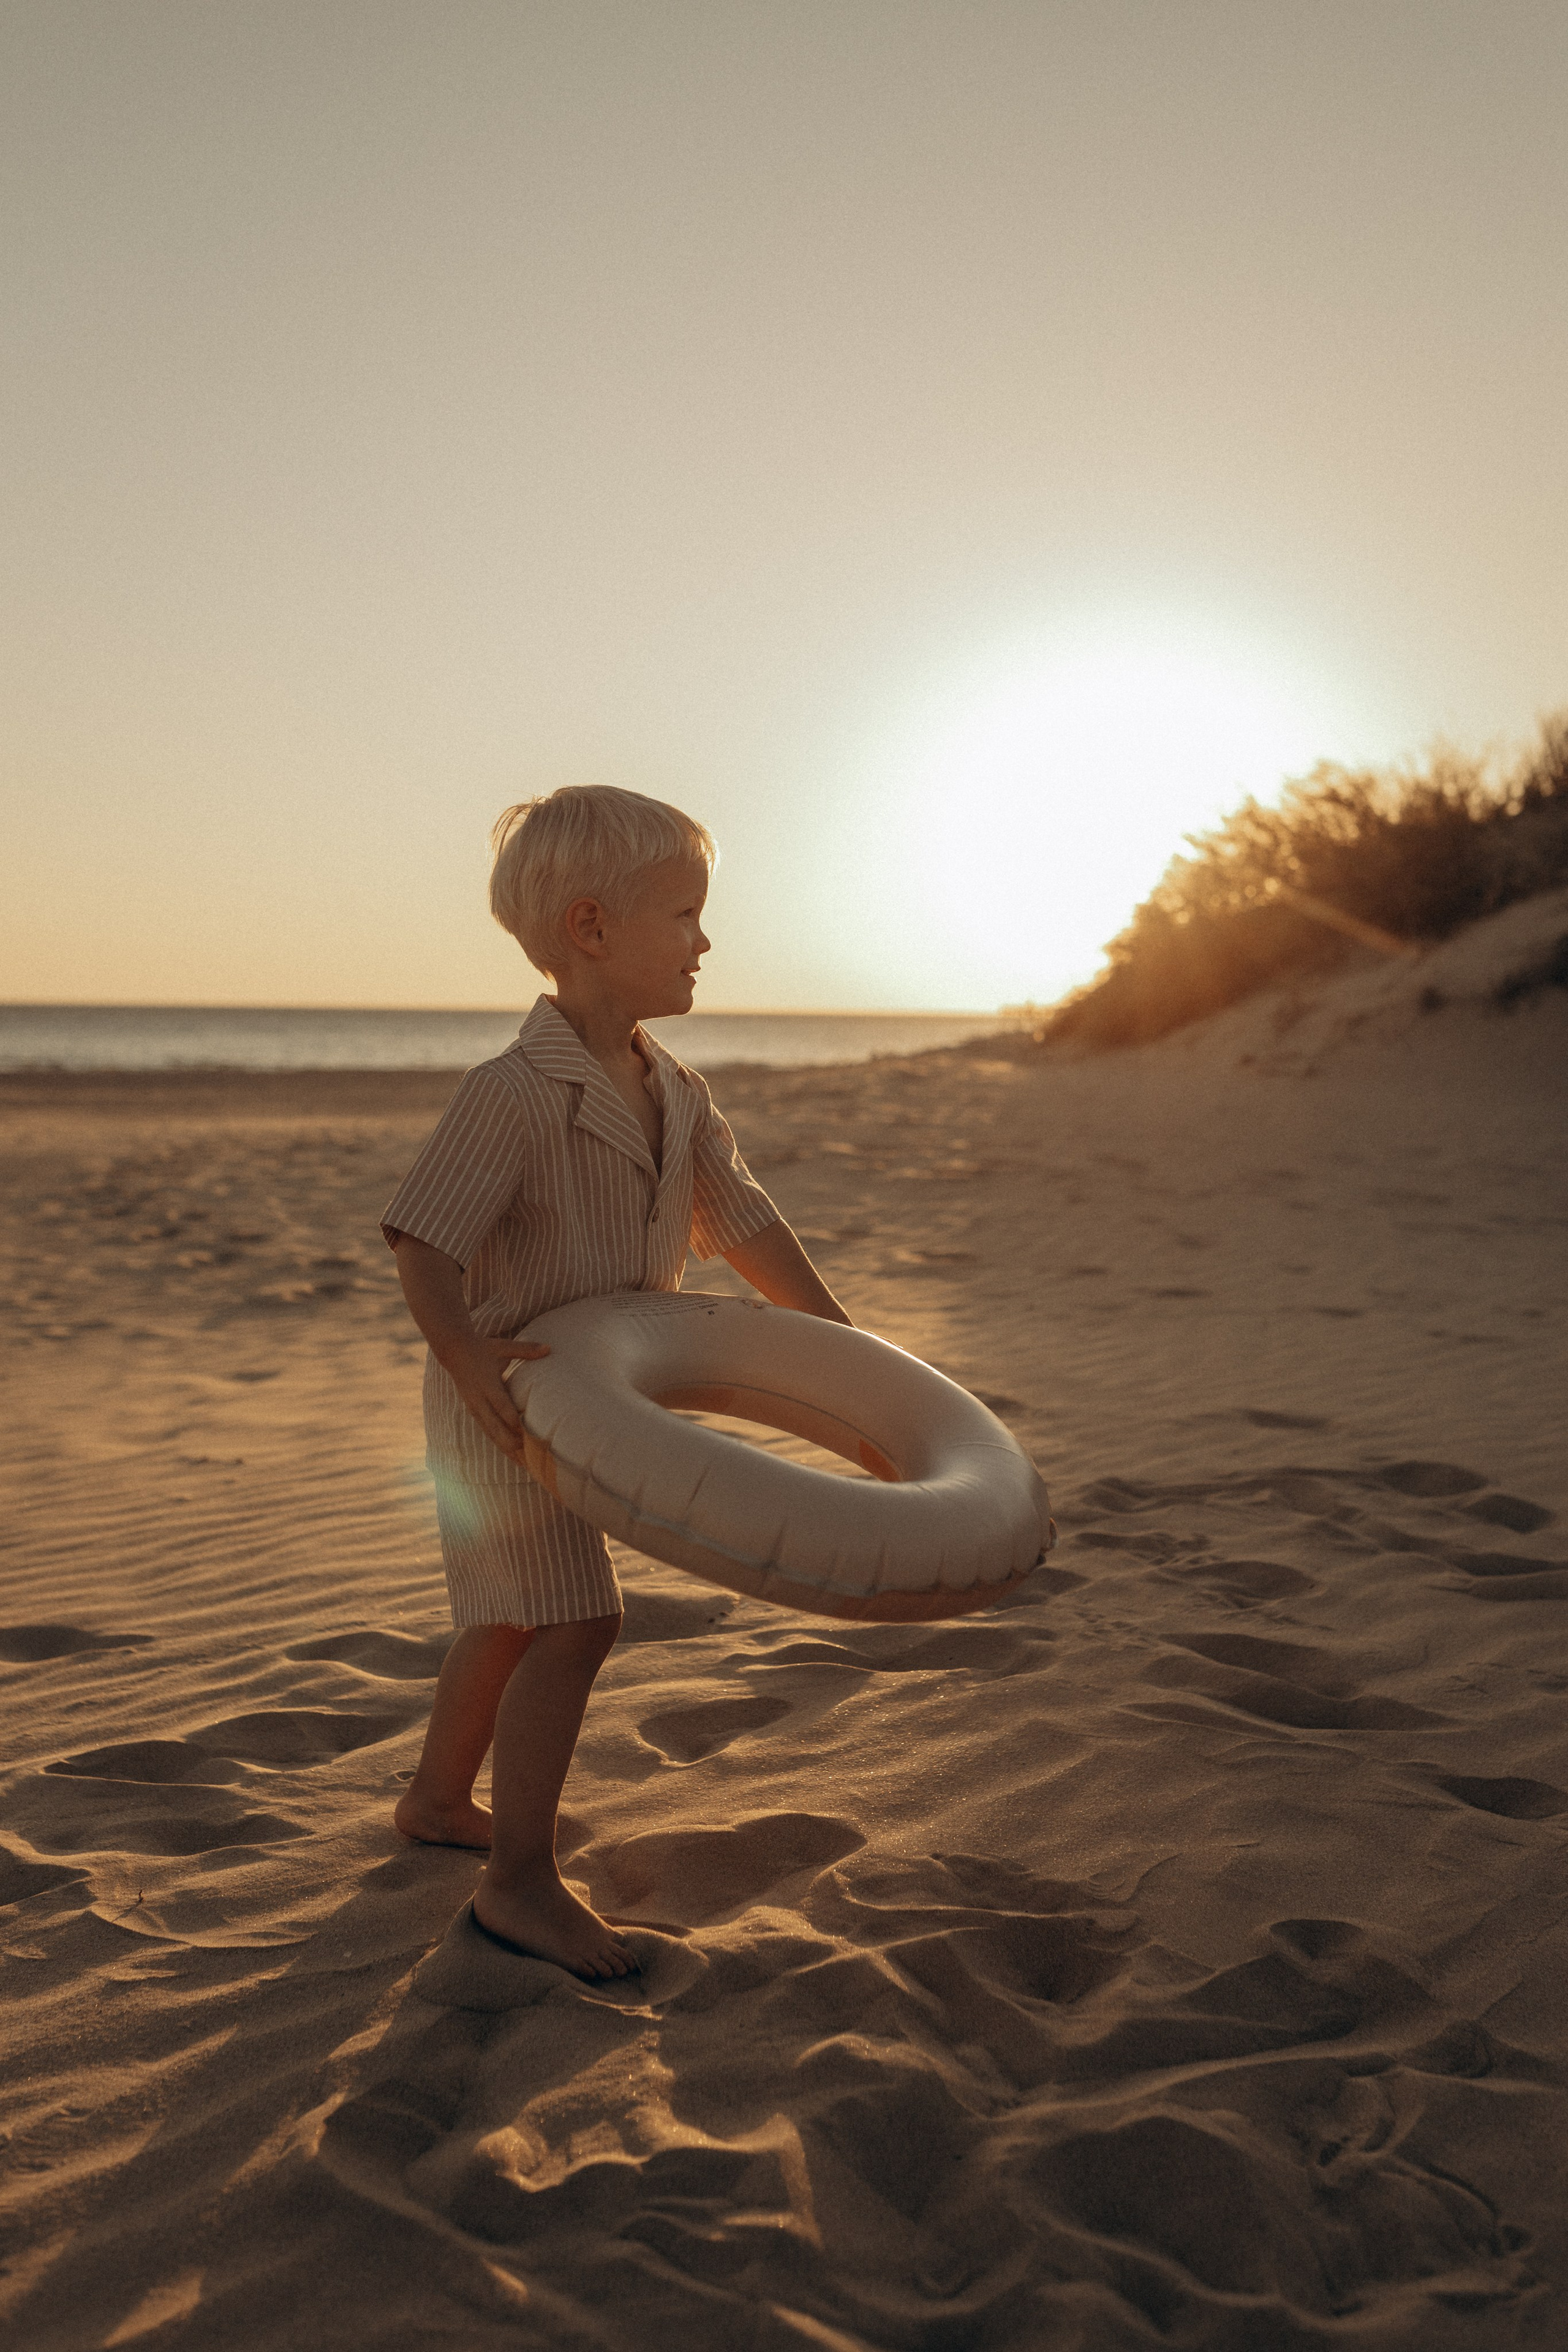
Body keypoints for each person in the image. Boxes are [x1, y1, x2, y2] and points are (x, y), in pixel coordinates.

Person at [380, 786, 851, 1980]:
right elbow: (423, 1241)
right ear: (591, 927)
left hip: (599, 1396)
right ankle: (517, 1891)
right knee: (576, 1619)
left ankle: (437, 1803)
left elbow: (739, 1218)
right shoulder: (513, 1091)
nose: (705, 940)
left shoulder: (673, 1089)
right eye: (683, 915)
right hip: (507, 1389)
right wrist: (469, 1361)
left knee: (505, 1612)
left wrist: (841, 1347)